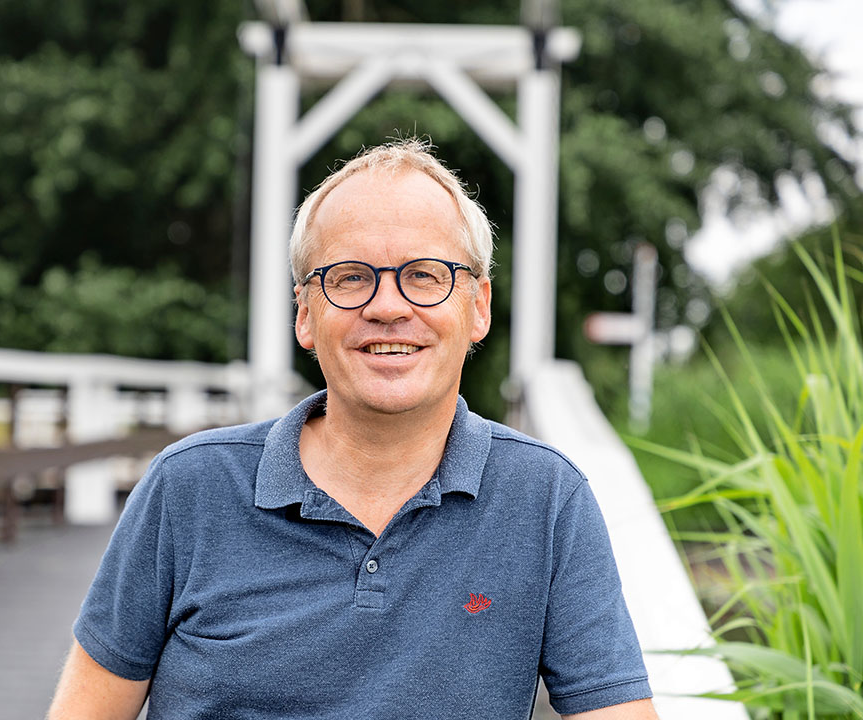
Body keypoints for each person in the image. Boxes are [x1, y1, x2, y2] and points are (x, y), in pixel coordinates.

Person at [48, 140, 659, 719]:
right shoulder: (189, 489)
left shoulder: (546, 499)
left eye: (425, 275)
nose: (388, 307)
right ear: (304, 316)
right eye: (349, 277)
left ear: (478, 307)